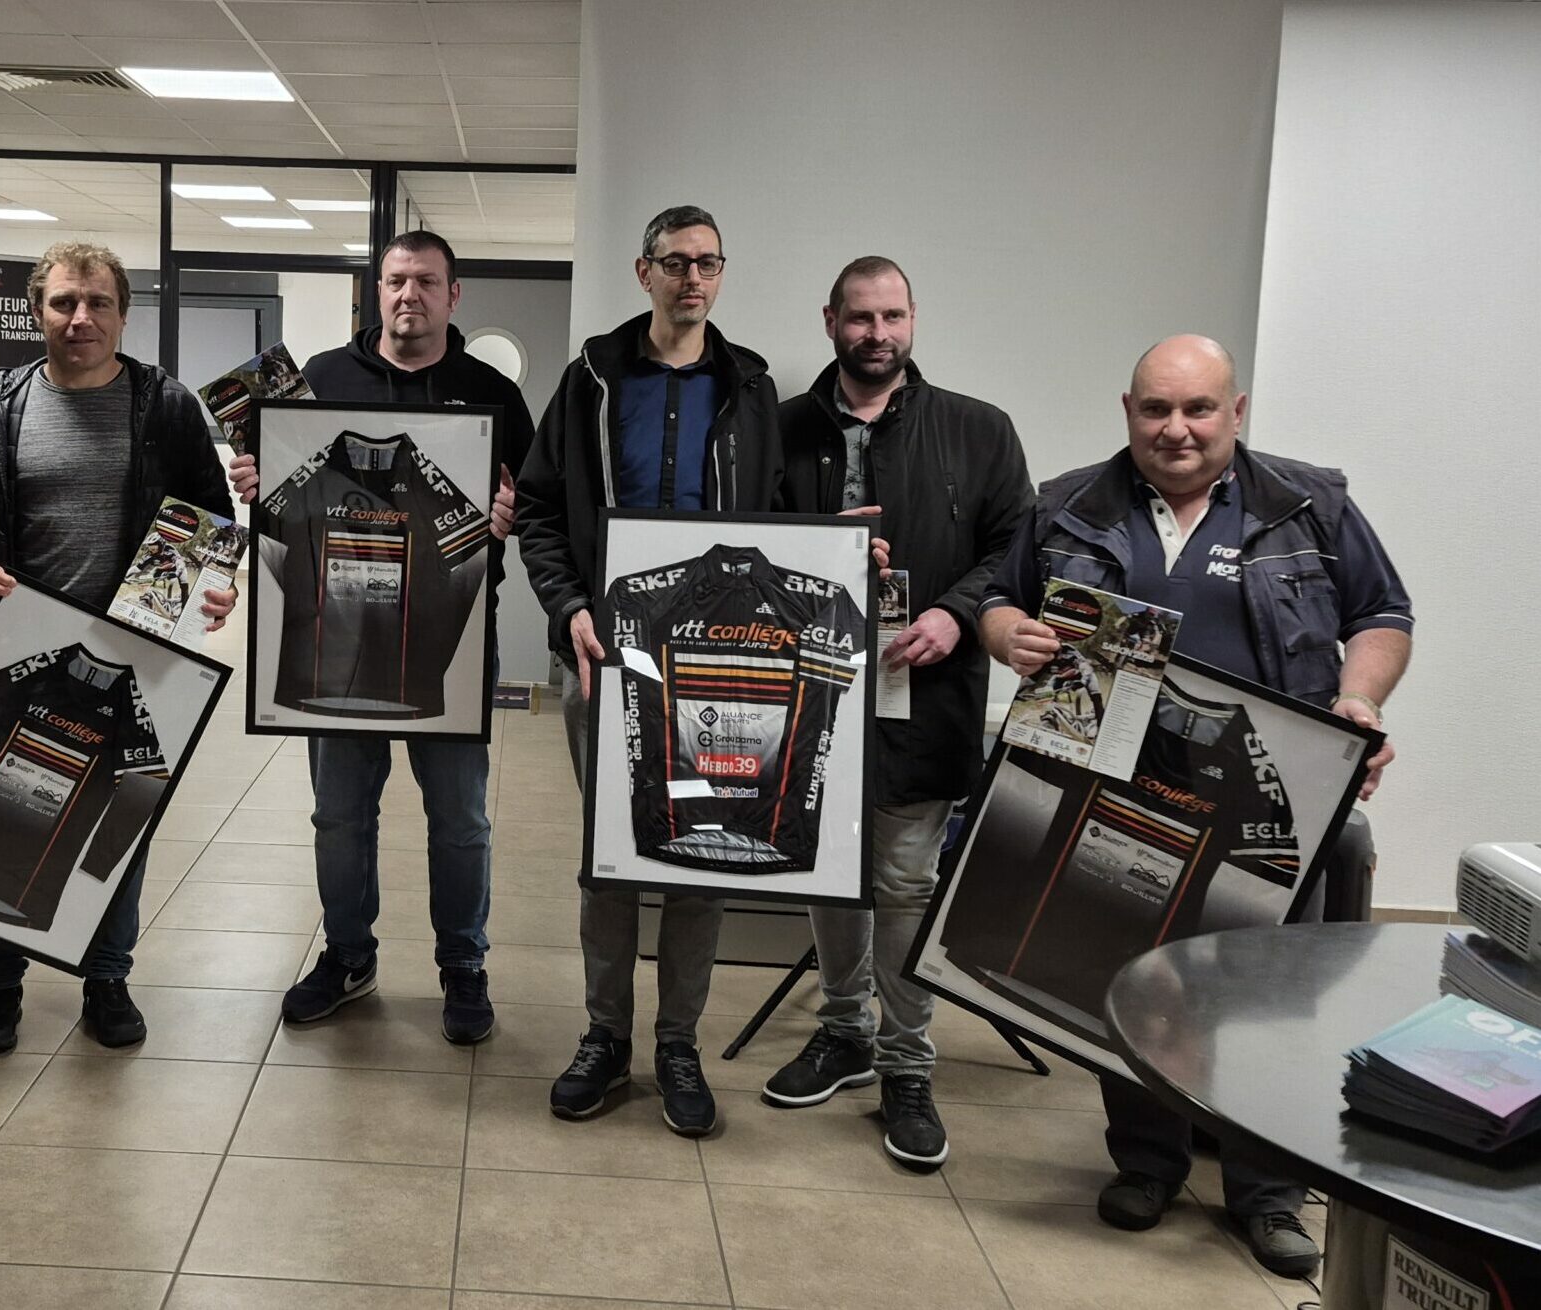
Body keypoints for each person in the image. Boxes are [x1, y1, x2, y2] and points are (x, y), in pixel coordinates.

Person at [978, 333, 1412, 1277]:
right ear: (1127, 411)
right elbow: (1000, 601)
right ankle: (1147, 1164)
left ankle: (1269, 1196)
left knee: (1266, 1001)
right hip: (1116, 790)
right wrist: (1010, 635)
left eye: (1198, 409)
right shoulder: (1066, 505)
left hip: (1270, 797)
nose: (1176, 429)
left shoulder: (1309, 506)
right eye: (1156, 409)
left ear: (1235, 411)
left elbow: (1383, 615)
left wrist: (1359, 700)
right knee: (1128, 980)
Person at [225, 231, 533, 1045]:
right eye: (396, 280)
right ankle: (348, 956)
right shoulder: (319, 381)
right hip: (330, 647)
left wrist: (509, 516)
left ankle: (463, 964)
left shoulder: (492, 394)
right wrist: (257, 483)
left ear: (453, 295)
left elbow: (529, 503)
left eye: (426, 282)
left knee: (460, 819)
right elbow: (281, 504)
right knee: (339, 816)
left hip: (446, 655)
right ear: (378, 290)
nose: (409, 296)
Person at [516, 205, 784, 1137]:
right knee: (611, 860)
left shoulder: (752, 388)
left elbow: (778, 523)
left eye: (708, 262)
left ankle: (678, 1044)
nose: (692, 278)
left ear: (721, 272)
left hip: (718, 666)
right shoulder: (591, 378)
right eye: (675, 263)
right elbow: (540, 510)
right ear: (644, 272)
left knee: (703, 854)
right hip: (605, 658)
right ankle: (605, 1035)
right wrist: (568, 607)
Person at [0, 240, 237, 1055]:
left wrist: (216, 581)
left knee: (121, 818)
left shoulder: (165, 406)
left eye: (98, 302)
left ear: (122, 314)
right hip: (23, 646)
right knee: (1, 808)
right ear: (37, 312)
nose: (81, 318)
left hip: (140, 648)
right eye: (64, 302)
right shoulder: (0, 407)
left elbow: (213, 516)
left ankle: (106, 977)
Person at [769, 256, 1033, 1171]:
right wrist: (823, 554)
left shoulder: (978, 430)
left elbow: (1016, 549)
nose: (876, 334)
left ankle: (907, 1066)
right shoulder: (778, 430)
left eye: (892, 317)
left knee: (906, 880)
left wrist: (954, 613)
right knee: (824, 869)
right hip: (808, 687)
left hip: (926, 691)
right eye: (860, 318)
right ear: (830, 320)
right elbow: (745, 547)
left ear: (913, 319)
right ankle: (845, 1032)